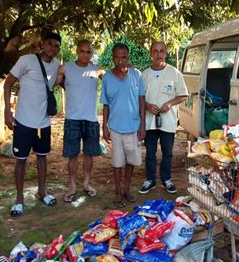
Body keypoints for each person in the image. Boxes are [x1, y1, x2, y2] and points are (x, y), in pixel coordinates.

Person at [4, 33, 61, 217]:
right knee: (21, 161)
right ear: (42, 43)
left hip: (43, 122)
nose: (53, 48)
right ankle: (19, 200)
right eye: (50, 43)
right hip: (23, 121)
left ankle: (42, 192)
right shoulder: (26, 60)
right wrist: (7, 111)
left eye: (57, 46)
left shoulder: (57, 66)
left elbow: (67, 81)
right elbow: (8, 83)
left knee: (42, 158)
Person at [55, 39, 105, 203]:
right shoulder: (66, 67)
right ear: (77, 51)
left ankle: (86, 184)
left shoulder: (97, 70)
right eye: (82, 51)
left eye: (89, 52)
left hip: (91, 119)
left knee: (89, 154)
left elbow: (111, 83)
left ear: (92, 53)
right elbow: (56, 82)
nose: (85, 55)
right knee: (72, 156)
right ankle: (72, 186)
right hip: (72, 119)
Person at [138, 41, 188, 194]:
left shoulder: (174, 73)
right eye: (155, 51)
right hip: (150, 120)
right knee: (150, 152)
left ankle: (166, 179)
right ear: (150, 54)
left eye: (161, 51)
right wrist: (147, 106)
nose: (158, 54)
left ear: (166, 53)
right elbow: (138, 97)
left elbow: (183, 95)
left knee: (168, 152)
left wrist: (169, 104)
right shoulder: (144, 75)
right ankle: (150, 180)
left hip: (168, 121)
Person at [101, 43, 146, 207]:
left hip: (133, 126)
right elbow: (105, 104)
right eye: (117, 57)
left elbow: (142, 100)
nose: (120, 61)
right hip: (115, 127)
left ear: (128, 57)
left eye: (124, 57)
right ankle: (118, 191)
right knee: (117, 162)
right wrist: (104, 126)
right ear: (113, 58)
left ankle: (127, 189)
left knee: (131, 161)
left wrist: (142, 125)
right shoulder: (107, 77)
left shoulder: (137, 75)